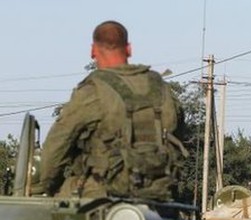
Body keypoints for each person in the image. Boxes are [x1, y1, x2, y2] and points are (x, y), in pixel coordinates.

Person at [37, 21, 186, 201]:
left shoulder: (92, 91)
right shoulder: (161, 87)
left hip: (101, 199)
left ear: (93, 51)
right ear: (129, 49)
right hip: (160, 195)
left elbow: (55, 149)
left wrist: (45, 188)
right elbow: (179, 136)